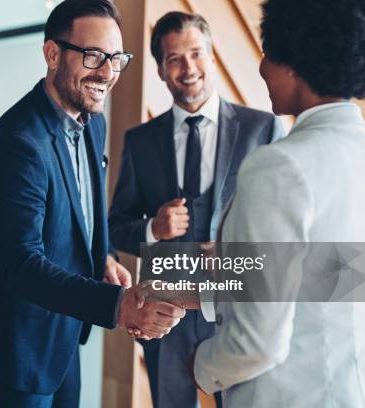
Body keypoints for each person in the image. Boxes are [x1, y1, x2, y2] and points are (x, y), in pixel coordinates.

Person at [0, 1, 186, 407]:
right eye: (94, 56)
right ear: (52, 53)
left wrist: (105, 259)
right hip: (15, 347)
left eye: (116, 59)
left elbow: (81, 215)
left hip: (62, 335)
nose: (107, 73)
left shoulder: (91, 119)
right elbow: (21, 266)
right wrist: (119, 308)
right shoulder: (18, 143)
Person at [190, 0, 365, 406]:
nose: (262, 68)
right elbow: (332, 283)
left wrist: (201, 365)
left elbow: (256, 343)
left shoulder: (279, 165)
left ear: (297, 60)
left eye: (268, 54)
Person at [108, 12, 283, 408]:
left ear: (212, 56)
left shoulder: (263, 129)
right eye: (174, 59)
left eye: (196, 54)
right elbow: (115, 227)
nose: (188, 68)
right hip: (163, 314)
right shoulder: (140, 141)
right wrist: (153, 228)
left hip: (237, 310)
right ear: (160, 70)